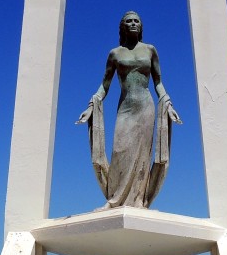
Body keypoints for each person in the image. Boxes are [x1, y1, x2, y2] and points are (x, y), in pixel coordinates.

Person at [77, 11, 181, 209]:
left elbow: (158, 82)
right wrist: (92, 105)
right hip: (125, 107)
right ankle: (114, 200)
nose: (133, 24)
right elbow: (105, 85)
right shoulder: (115, 54)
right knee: (119, 151)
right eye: (129, 21)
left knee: (142, 154)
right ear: (122, 26)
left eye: (136, 21)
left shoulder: (150, 50)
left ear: (141, 26)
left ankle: (139, 200)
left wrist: (168, 104)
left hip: (145, 106)